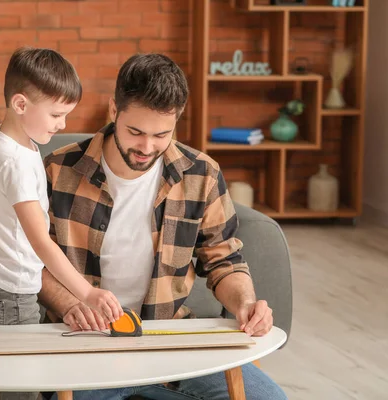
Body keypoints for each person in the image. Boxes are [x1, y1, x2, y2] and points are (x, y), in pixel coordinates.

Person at [38, 53, 288, 400]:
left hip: (171, 339)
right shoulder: (57, 170)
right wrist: (69, 305)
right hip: (86, 344)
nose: (146, 147)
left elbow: (223, 261)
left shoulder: (201, 174)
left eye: (161, 135)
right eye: (136, 132)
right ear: (113, 111)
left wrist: (244, 303)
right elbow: (30, 261)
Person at [0, 47, 123, 400]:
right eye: (57, 115)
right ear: (21, 104)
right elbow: (42, 243)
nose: (63, 126)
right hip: (12, 288)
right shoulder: (18, 164)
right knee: (23, 380)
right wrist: (87, 293)